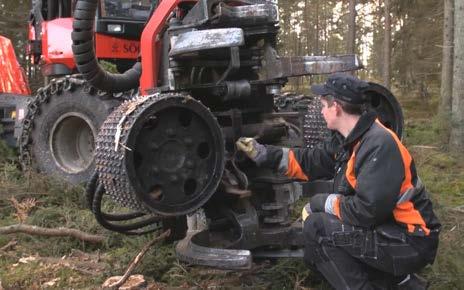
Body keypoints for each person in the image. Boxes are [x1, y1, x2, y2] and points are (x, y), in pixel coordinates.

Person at [236, 73, 441, 290]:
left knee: (318, 228)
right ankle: (398, 282)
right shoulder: (348, 139)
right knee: (315, 253)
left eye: (324, 105)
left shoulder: (379, 145)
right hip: (388, 228)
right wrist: (265, 154)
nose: (321, 111)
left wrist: (320, 203)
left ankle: (389, 280)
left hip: (410, 240)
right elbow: (311, 161)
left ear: (337, 107)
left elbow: (366, 210)